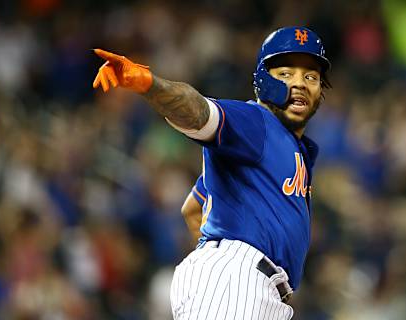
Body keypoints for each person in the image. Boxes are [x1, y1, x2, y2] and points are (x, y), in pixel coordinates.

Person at [93, 26, 331, 319]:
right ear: (262, 80)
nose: (300, 84)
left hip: (247, 287)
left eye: (311, 76)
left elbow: (193, 209)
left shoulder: (282, 150)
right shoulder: (256, 122)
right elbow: (198, 111)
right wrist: (149, 84)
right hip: (238, 280)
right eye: (286, 73)